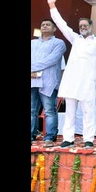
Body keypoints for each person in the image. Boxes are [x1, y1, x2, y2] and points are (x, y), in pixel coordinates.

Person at [46, 0, 96, 148]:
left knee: (89, 111)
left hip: (88, 82)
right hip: (72, 81)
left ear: (91, 26)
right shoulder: (75, 39)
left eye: (85, 26)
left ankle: (88, 139)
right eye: (80, 26)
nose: (82, 28)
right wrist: (52, 6)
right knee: (70, 112)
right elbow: (61, 24)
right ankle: (68, 138)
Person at [31, 18, 67, 147]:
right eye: (42, 24)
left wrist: (32, 66)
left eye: (48, 25)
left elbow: (51, 60)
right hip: (32, 80)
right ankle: (32, 134)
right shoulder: (33, 43)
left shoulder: (59, 43)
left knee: (49, 110)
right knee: (31, 110)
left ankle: (50, 136)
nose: (45, 26)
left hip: (48, 81)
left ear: (54, 29)